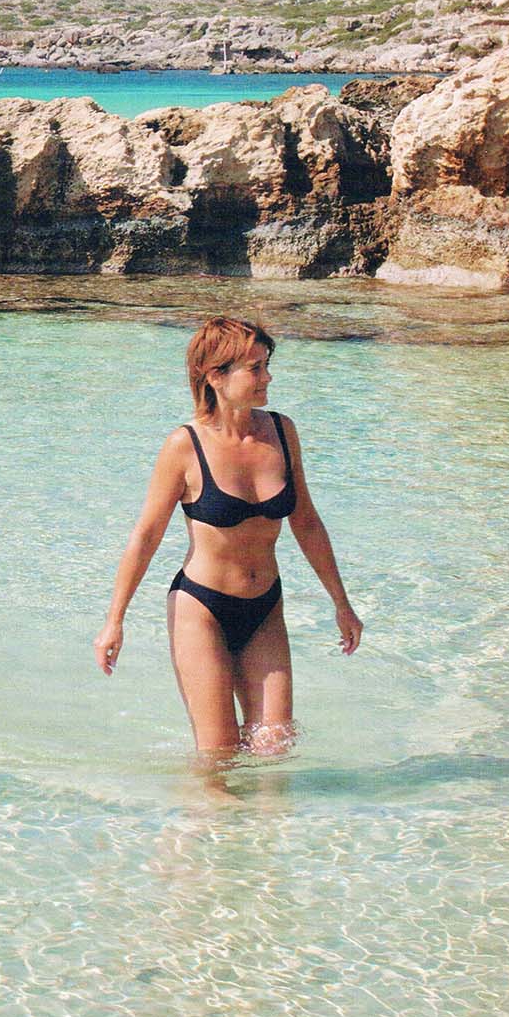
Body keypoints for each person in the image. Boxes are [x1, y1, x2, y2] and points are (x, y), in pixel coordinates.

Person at [95, 317, 362, 757]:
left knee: (276, 751)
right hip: (201, 609)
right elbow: (146, 536)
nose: (267, 377)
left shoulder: (281, 431)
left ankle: (266, 830)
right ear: (215, 376)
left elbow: (307, 522)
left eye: (266, 364)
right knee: (219, 758)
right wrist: (114, 621)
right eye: (254, 368)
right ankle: (198, 826)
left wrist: (341, 603)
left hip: (265, 608)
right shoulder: (184, 446)